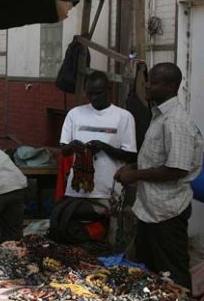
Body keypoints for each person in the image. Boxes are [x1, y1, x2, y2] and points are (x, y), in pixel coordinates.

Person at [115, 63, 204, 291]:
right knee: (152, 272)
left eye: (152, 82)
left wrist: (134, 175)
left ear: (170, 86)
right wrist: (132, 167)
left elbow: (177, 169)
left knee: (173, 275)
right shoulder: (160, 116)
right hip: (151, 210)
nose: (146, 85)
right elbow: (156, 159)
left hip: (167, 212)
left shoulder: (175, 122)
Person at [59, 71, 137, 243]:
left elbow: (131, 156)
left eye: (98, 93)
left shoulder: (123, 117)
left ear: (109, 89)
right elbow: (64, 150)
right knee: (75, 236)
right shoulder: (75, 114)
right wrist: (73, 146)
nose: (93, 98)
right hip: (78, 189)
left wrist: (105, 148)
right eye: (90, 94)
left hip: (109, 190)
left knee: (110, 236)